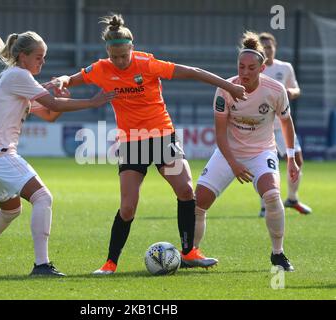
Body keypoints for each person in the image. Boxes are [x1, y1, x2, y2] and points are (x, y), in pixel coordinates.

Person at [52, 14, 247, 275]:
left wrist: (229, 87)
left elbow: (193, 72)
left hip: (162, 136)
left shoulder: (147, 64)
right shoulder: (100, 68)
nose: (120, 61)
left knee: (186, 190)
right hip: (132, 142)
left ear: (132, 48)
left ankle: (189, 252)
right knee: (128, 206)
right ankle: (110, 263)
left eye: (124, 55)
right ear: (108, 52)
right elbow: (71, 79)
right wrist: (62, 81)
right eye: (115, 56)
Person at [0, 30, 115, 276]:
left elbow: (51, 115)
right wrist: (92, 102)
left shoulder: (14, 77)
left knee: (10, 210)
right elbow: (52, 104)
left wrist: (63, 97)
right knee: (43, 197)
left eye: (44, 57)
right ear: (23, 56)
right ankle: (42, 265)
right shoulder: (19, 75)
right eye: (39, 57)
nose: (42, 62)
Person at [193, 31, 298, 271]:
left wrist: (291, 158)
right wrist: (234, 164)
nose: (245, 72)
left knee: (272, 196)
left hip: (262, 152)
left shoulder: (275, 90)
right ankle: (191, 252)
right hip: (228, 151)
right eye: (241, 67)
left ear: (262, 69)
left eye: (251, 68)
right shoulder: (225, 89)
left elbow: (286, 122)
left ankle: (278, 254)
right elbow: (220, 135)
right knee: (198, 203)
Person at [258, 32, 312, 216]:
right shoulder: (256, 69)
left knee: (297, 160)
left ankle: (292, 198)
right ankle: (265, 206)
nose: (266, 50)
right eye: (263, 47)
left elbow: (296, 88)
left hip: (282, 125)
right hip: (262, 126)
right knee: (263, 164)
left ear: (275, 48)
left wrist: (291, 92)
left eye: (269, 47)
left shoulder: (285, 67)